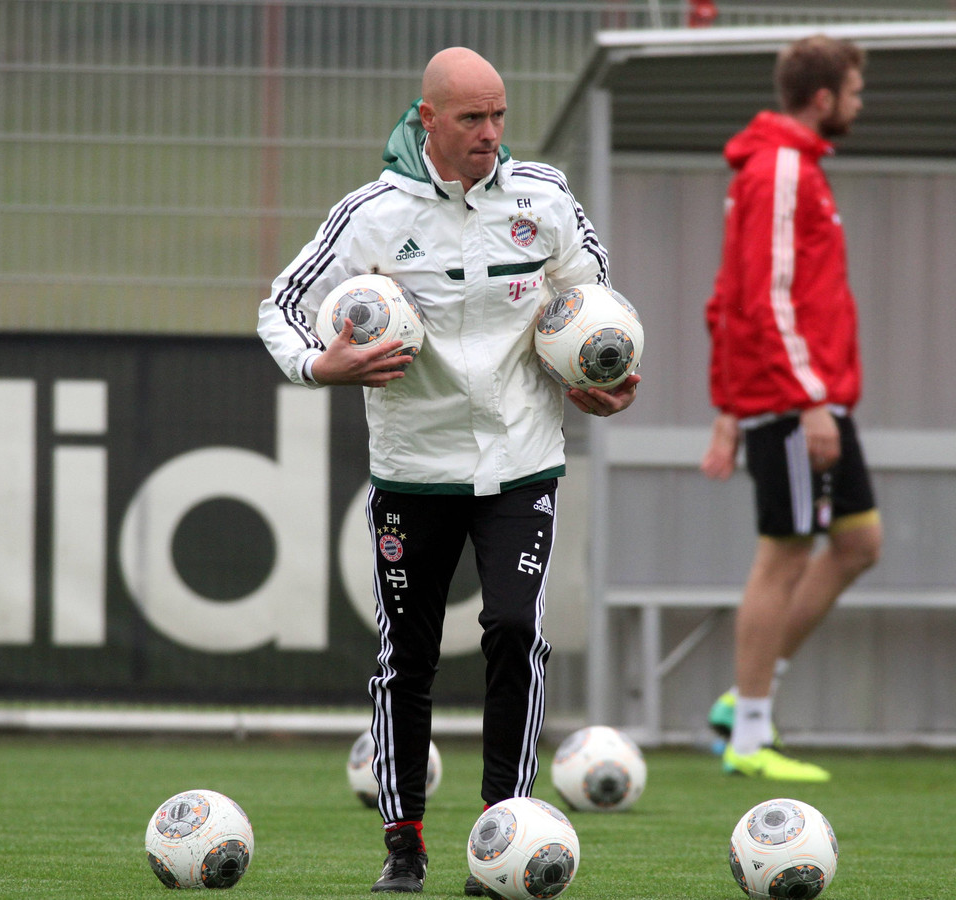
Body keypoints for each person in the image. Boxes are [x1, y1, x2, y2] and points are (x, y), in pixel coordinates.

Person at [257, 47, 639, 894]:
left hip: (521, 463)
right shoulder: (370, 215)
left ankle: (503, 830)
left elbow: (589, 300)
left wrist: (595, 378)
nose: (490, 134)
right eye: (472, 118)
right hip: (410, 471)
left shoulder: (541, 198)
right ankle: (403, 844)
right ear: (426, 120)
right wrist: (320, 367)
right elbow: (280, 305)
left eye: (499, 115)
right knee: (410, 655)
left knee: (512, 629)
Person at [700, 34, 882, 782]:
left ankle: (744, 696)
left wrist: (724, 406)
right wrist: (800, 402)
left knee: (857, 543)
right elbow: (761, 297)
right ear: (822, 98)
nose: (859, 102)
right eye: (855, 89)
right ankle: (748, 731)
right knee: (783, 554)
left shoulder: (789, 167)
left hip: (809, 396)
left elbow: (728, 294)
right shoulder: (778, 169)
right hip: (793, 398)